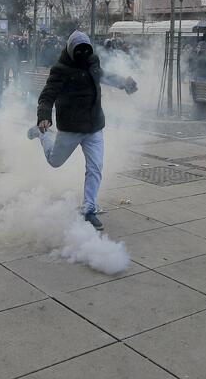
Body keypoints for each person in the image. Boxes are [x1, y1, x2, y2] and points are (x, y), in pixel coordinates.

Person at [27, 31, 138, 231]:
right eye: (79, 51)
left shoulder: (92, 61)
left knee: (95, 167)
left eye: (86, 50)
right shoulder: (60, 69)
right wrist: (44, 117)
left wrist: (124, 83)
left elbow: (104, 76)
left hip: (94, 126)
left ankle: (89, 210)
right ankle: (42, 134)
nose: (83, 54)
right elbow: (47, 95)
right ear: (70, 51)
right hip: (71, 127)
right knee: (54, 161)